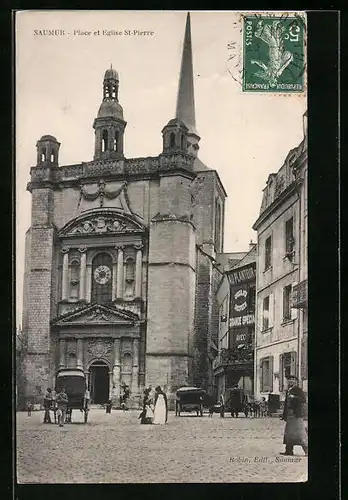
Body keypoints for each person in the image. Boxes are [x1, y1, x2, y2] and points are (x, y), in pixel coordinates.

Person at [280, 375, 308, 456]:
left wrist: (294, 397)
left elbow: (303, 400)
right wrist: (284, 415)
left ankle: (307, 450)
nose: (291, 381)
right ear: (288, 381)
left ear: (296, 381)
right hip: (289, 414)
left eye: (293, 379)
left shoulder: (297, 389)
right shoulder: (288, 390)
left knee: (300, 433)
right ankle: (289, 451)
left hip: (296, 415)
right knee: (288, 433)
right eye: (290, 379)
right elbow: (286, 404)